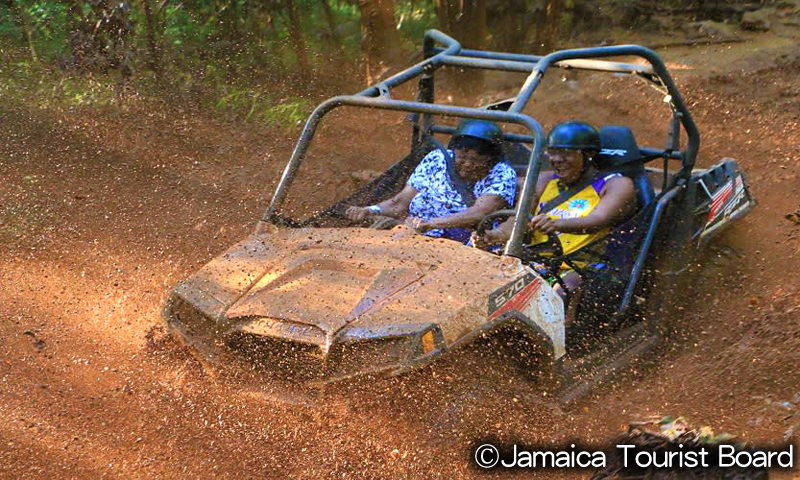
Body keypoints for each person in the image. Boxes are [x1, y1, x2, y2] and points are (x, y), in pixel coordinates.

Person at [473, 121, 636, 297]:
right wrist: (493, 236)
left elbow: (597, 219)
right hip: (535, 261)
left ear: (588, 154)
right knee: (483, 282)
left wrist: (557, 224)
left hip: (582, 266)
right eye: (553, 152)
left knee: (558, 295)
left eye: (565, 153)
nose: (557, 159)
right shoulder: (544, 181)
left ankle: (564, 323)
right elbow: (516, 222)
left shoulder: (616, 184)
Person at [345, 119, 517, 243]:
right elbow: (400, 202)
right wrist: (370, 210)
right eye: (462, 157)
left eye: (476, 160)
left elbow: (478, 213)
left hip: (459, 242)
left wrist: (429, 225)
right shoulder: (437, 159)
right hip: (412, 233)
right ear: (453, 151)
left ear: (491, 159)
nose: (468, 165)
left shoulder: (502, 174)